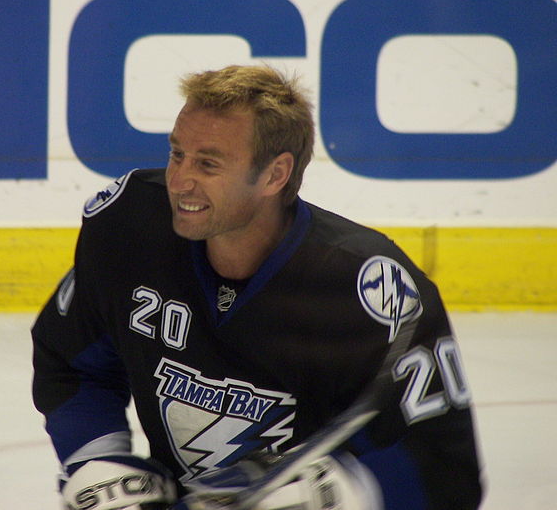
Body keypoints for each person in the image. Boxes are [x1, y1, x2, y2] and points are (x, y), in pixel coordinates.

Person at [32, 64, 483, 510]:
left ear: (274, 175)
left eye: (208, 163)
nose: (179, 180)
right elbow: (73, 361)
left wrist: (348, 492)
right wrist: (97, 460)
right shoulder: (130, 226)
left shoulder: (371, 292)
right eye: (176, 154)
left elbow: (445, 468)